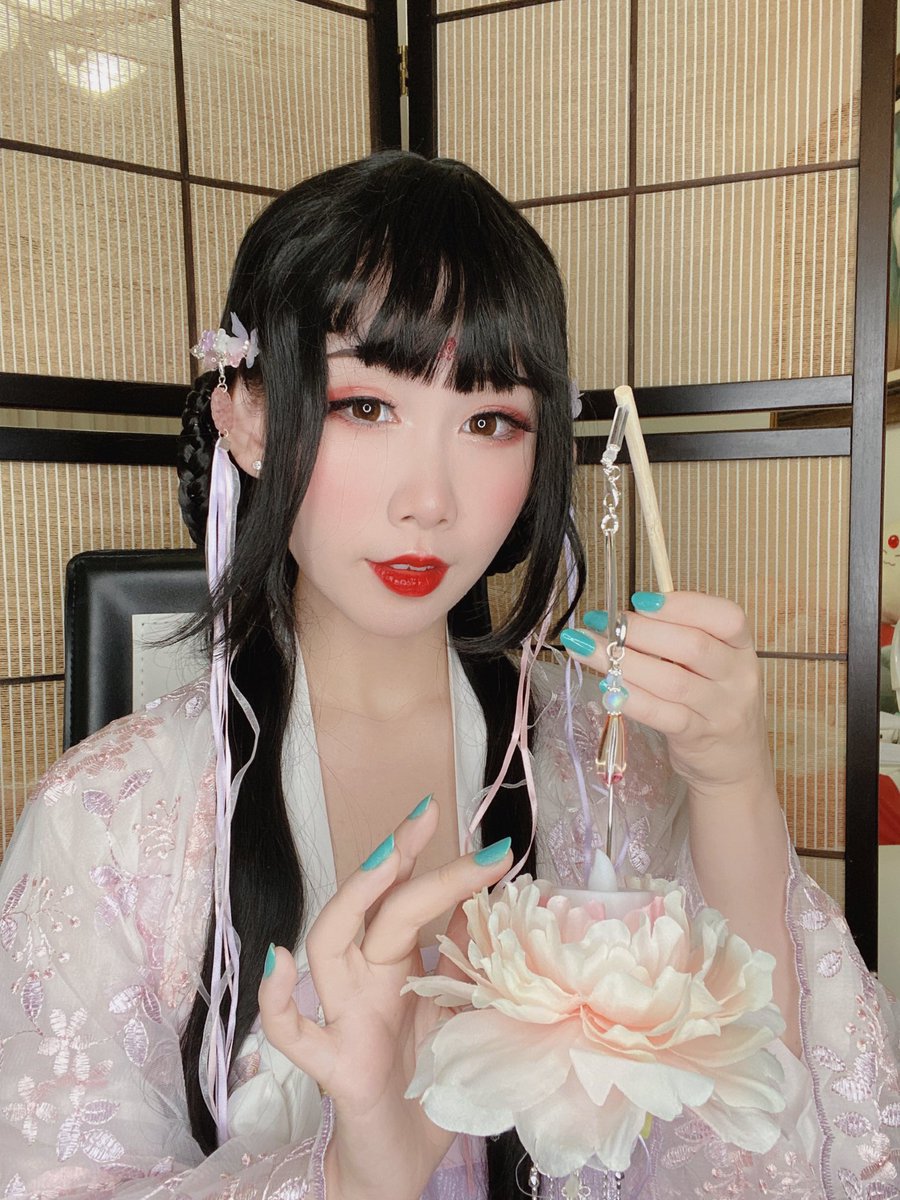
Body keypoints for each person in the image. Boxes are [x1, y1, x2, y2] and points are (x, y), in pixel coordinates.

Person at [0, 152, 895, 1200]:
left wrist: (732, 780)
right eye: (364, 407)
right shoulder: (107, 818)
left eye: (488, 421)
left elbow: (790, 1133)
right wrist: (354, 1173)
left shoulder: (605, 760)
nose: (429, 499)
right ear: (248, 416)